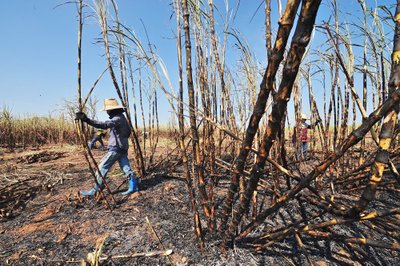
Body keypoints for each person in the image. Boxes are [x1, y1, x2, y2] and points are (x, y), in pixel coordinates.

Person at [75, 98, 139, 196]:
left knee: (102, 167)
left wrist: (87, 120)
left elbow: (105, 125)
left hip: (116, 148)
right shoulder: (122, 118)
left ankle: (96, 189)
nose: (107, 112)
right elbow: (128, 132)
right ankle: (133, 186)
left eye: (108, 110)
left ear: (112, 110)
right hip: (123, 147)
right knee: (126, 167)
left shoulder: (117, 118)